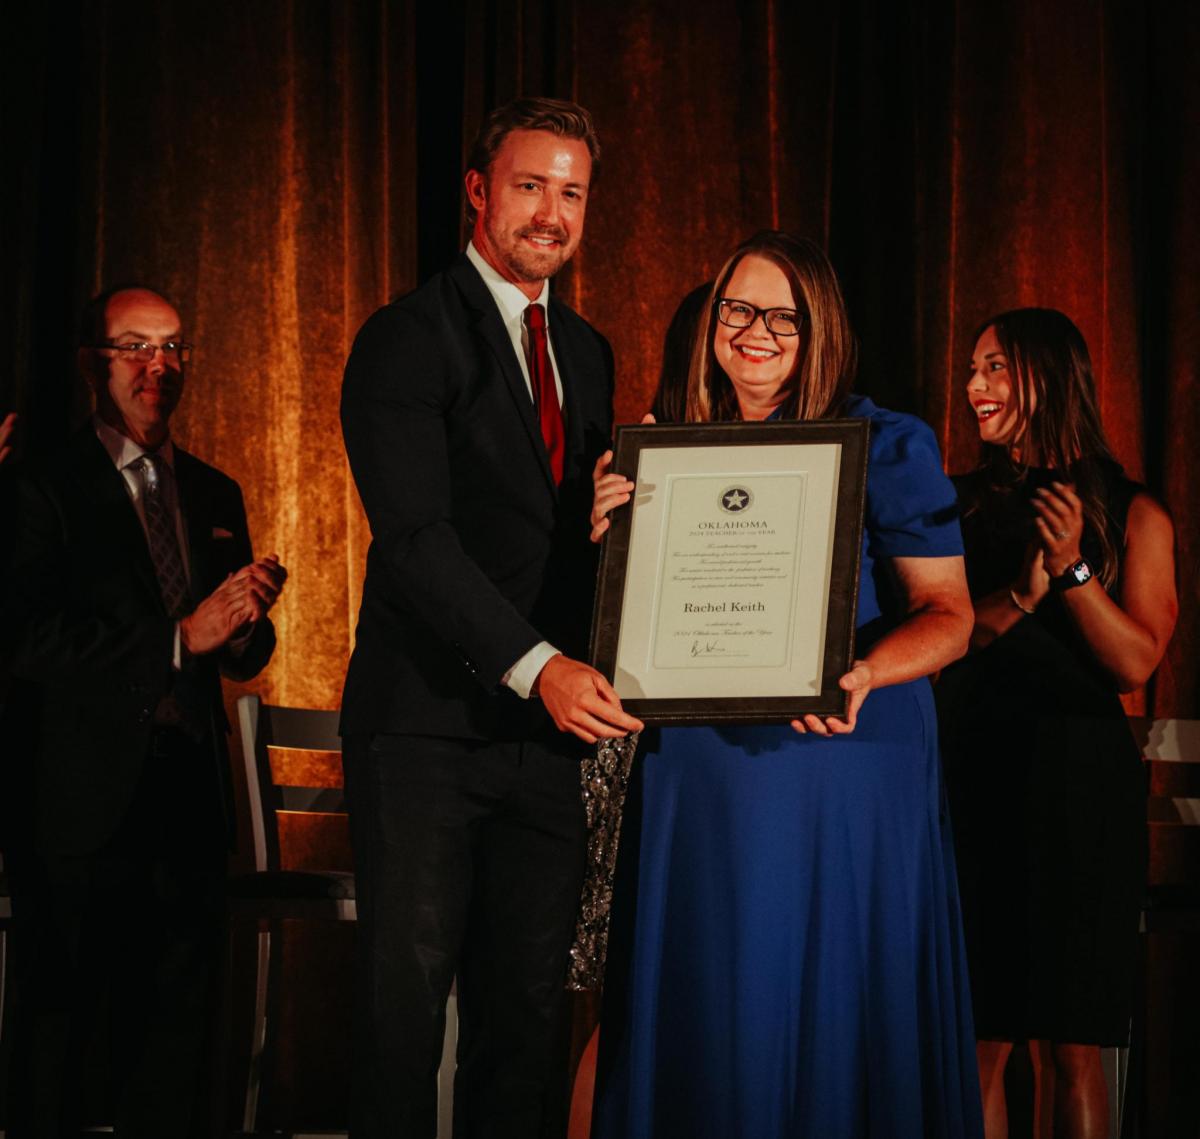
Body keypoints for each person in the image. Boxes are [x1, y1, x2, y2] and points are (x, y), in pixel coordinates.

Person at [590, 230, 983, 1138]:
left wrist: (863, 672)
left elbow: (951, 615)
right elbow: (627, 627)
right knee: (710, 988)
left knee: (822, 992)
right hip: (700, 768)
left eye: (783, 316)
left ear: (822, 332)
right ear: (710, 320)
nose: (755, 331)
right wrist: (608, 538)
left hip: (839, 757)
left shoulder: (887, 443)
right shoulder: (664, 451)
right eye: (737, 308)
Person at [338, 96, 641, 1138]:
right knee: (401, 1024)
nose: (552, 212)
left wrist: (619, 531)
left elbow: (556, 543)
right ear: (478, 191)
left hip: (543, 749)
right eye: (530, 185)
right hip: (422, 733)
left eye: (572, 191)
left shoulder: (591, 354)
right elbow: (416, 542)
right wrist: (540, 665)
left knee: (524, 1027)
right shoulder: (405, 339)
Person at [1, 285, 286, 1136]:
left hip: (187, 805)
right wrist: (178, 639)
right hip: (78, 807)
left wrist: (243, 626)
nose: (158, 366)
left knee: (174, 1053)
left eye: (172, 348)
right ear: (94, 363)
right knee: (60, 1052)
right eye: (136, 346)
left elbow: (237, 654)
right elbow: (27, 639)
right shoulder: (41, 485)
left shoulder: (212, 490)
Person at [935, 308, 1177, 1139]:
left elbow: (1135, 662)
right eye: (973, 369)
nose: (975, 388)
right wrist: (1022, 598)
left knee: (1074, 1048)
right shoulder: (954, 507)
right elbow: (932, 644)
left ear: (1048, 375)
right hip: (974, 782)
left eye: (995, 368)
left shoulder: (1134, 512)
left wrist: (1073, 571)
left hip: (1081, 794)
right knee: (979, 1040)